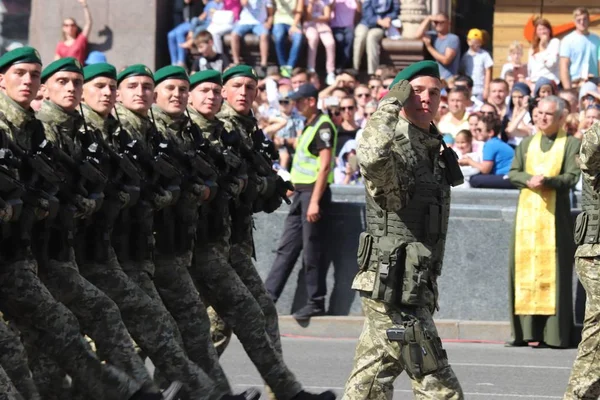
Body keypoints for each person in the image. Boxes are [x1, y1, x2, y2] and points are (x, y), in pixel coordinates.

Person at [0, 46, 161, 400]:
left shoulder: (33, 129)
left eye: (33, 75)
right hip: (28, 254)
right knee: (16, 346)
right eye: (19, 73)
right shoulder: (22, 127)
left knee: (61, 326)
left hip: (24, 255)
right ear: (1, 80)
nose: (27, 81)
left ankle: (130, 391)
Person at [113, 64, 249, 400]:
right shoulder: (123, 132)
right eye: (138, 87)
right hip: (125, 251)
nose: (175, 95)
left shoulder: (174, 134)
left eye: (181, 90)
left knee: (187, 324)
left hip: (173, 246)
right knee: (138, 331)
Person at [342, 60, 463, 399]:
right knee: (438, 385)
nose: (427, 98)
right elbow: (371, 158)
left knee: (369, 381)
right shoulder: (393, 142)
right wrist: (388, 105)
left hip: (414, 283)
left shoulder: (432, 145)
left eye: (435, 92)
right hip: (390, 287)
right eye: (417, 91)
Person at [507, 96, 580, 349]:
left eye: (549, 114)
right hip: (526, 220)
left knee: (555, 275)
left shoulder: (570, 144)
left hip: (555, 220)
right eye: (539, 113)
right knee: (524, 272)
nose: (542, 118)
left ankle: (555, 335)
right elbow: (513, 172)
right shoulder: (526, 143)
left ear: (561, 117)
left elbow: (571, 176)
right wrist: (528, 179)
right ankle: (526, 332)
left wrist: (547, 181)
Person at [265, 82, 336, 320]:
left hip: (314, 195)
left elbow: (325, 166)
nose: (295, 104)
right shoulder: (309, 125)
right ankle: (267, 299)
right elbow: (305, 157)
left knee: (312, 251)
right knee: (286, 249)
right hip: (300, 194)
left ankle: (316, 302)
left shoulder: (323, 126)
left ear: (312, 101)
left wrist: (314, 201)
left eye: (299, 101)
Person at [565, 117, 600, 398]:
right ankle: (580, 394)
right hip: (596, 253)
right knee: (598, 330)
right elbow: (588, 158)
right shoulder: (594, 139)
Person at [464, 116, 515, 189]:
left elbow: (485, 170)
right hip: (508, 176)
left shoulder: (491, 144)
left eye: (479, 129)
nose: (476, 131)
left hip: (508, 177)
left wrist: (469, 161)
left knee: (474, 180)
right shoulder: (494, 142)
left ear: (490, 132)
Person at [352, 0, 399, 75]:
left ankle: (372, 72)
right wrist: (378, 21)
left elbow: (395, 10)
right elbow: (366, 12)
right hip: (366, 23)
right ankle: (355, 68)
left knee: (371, 37)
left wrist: (389, 18)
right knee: (361, 36)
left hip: (380, 27)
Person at [230, 0, 274, 78]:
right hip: (244, 22)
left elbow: (270, 14)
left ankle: (263, 63)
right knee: (234, 35)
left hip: (259, 23)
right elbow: (244, 3)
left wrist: (269, 23)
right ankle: (236, 61)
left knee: (264, 35)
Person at [559, 7, 600, 89]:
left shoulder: (597, 39)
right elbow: (564, 66)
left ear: (589, 20)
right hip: (575, 83)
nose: (582, 22)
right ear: (574, 22)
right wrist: (568, 89)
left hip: (593, 82)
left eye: (585, 19)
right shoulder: (567, 40)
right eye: (579, 20)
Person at [414, 13, 461, 80]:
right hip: (435, 79)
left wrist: (429, 47)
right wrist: (428, 18)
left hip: (448, 80)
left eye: (441, 22)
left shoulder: (453, 38)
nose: (438, 24)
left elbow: (446, 60)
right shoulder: (433, 36)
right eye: (436, 22)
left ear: (448, 23)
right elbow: (417, 35)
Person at [302, 0, 336, 85]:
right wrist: (311, 3)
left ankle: (330, 72)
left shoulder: (325, 1)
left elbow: (327, 16)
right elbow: (307, 17)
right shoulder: (306, 1)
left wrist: (315, 19)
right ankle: (311, 68)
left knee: (330, 43)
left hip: (323, 26)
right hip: (309, 25)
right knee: (313, 39)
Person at [54, 0, 92, 64]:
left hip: (79, 72)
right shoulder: (60, 45)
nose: (70, 27)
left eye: (72, 25)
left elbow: (88, 23)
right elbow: (56, 63)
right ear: (63, 28)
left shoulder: (80, 40)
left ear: (76, 27)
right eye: (66, 25)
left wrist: (85, 5)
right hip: (66, 72)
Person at [271, 0, 303, 77]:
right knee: (279, 36)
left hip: (294, 21)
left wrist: (294, 25)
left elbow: (299, 12)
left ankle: (289, 66)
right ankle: (283, 65)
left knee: (298, 38)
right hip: (279, 20)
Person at [460, 28, 493, 101]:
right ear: (468, 41)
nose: (476, 44)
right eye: (474, 42)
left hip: (480, 89)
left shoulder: (484, 55)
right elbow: (462, 70)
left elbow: (488, 71)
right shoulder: (466, 55)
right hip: (468, 89)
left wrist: (486, 89)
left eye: (478, 42)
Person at [527, 18, 560, 85]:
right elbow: (530, 69)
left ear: (549, 30)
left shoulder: (554, 43)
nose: (542, 32)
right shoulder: (533, 48)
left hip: (550, 82)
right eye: (539, 29)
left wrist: (542, 48)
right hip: (535, 83)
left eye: (544, 29)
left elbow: (550, 64)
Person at [331, 0, 359, 71]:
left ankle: (344, 65)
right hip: (336, 26)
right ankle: (338, 64)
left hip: (349, 27)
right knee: (340, 39)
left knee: (349, 38)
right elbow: (330, 9)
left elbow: (359, 10)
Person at [503, 82, 533, 147]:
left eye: (520, 97)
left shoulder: (531, 114)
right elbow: (508, 132)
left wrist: (521, 112)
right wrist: (515, 113)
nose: (517, 100)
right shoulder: (508, 114)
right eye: (514, 97)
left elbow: (528, 132)